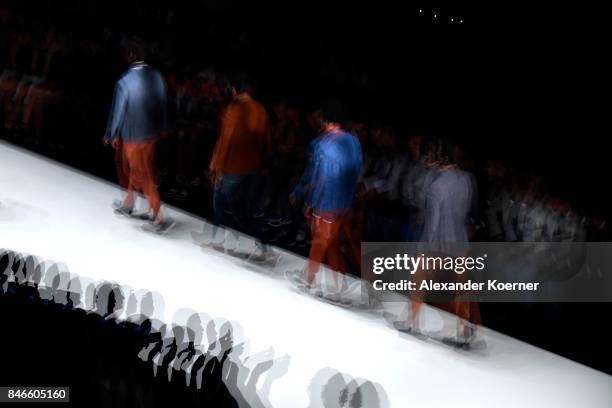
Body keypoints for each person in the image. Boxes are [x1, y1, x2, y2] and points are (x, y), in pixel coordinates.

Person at [289, 102, 363, 300]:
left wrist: (307, 199)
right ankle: (337, 283)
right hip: (345, 203)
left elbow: (317, 176)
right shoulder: (354, 142)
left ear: (325, 118)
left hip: (327, 201)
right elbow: (356, 172)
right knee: (329, 243)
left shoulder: (322, 143)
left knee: (321, 240)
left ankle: (310, 278)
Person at [196, 74, 273, 261]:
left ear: (233, 89)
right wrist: (264, 162)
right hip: (253, 167)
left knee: (219, 202)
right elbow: (266, 140)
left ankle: (215, 239)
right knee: (244, 209)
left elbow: (226, 140)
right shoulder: (260, 109)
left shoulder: (234, 109)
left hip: (233, 166)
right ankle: (263, 244)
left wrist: (216, 167)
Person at [103, 37, 172, 234]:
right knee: (139, 170)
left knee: (141, 173)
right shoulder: (157, 76)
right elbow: (162, 103)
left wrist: (111, 133)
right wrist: (162, 128)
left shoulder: (125, 81)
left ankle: (159, 214)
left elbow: (118, 111)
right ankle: (128, 204)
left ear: (130, 56)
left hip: (133, 135)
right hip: (151, 134)